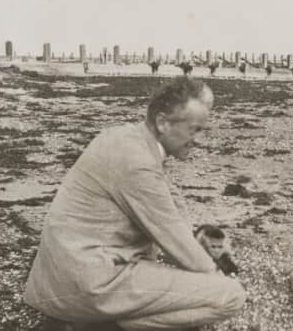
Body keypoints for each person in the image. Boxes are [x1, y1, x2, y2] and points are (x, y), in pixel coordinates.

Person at [24, 77, 246, 331]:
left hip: (65, 277)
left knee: (190, 281)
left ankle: (91, 322)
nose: (199, 139)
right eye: (194, 130)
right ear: (163, 122)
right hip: (90, 285)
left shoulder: (124, 138)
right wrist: (216, 274)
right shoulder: (138, 164)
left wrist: (196, 243)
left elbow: (170, 208)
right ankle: (99, 327)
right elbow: (176, 241)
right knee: (231, 296)